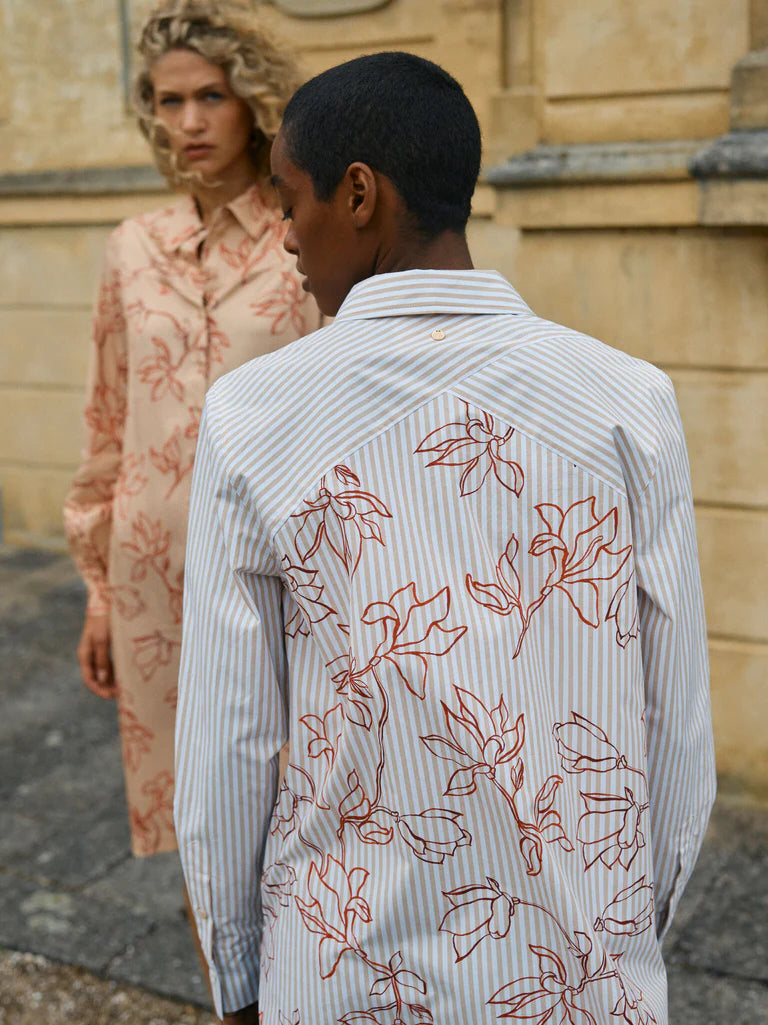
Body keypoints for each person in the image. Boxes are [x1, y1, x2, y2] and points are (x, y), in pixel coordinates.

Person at [175, 52, 716, 1025]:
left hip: (337, 973)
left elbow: (228, 741)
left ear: (358, 195)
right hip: (586, 976)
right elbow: (676, 727)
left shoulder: (253, 415)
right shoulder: (629, 402)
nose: (284, 236)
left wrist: (242, 973)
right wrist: (626, 932)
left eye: (290, 201)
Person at [64, 1, 318, 868]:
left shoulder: (304, 240)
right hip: (149, 581)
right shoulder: (131, 246)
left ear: (253, 102)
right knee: (191, 833)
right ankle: (225, 1003)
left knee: (292, 825)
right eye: (169, 102)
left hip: (279, 579)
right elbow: (107, 420)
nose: (190, 122)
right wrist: (99, 586)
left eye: (211, 95)